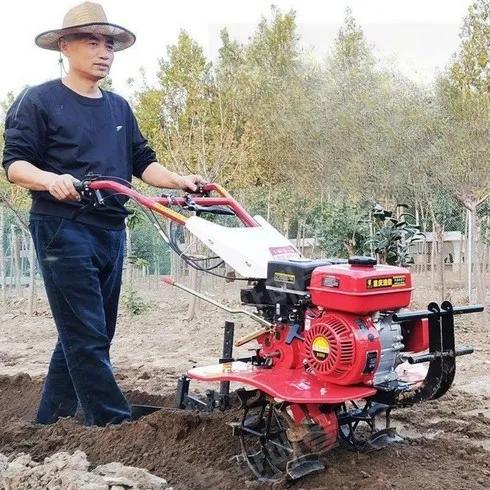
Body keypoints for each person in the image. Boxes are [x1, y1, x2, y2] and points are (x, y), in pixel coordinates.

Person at [1, 1, 205, 426]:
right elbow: (15, 165)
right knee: (87, 333)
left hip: (111, 228)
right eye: (92, 42)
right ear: (65, 46)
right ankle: (112, 424)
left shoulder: (118, 108)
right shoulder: (38, 100)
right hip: (63, 227)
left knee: (89, 332)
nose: (104, 52)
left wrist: (177, 179)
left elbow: (142, 162)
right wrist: (49, 179)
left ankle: (50, 422)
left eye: (109, 44)